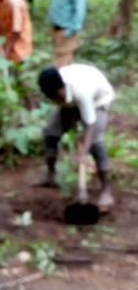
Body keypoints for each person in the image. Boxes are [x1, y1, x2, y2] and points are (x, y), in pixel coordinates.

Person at [38, 63, 115, 210]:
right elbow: (67, 107)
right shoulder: (54, 88)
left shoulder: (81, 90)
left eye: (56, 97)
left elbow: (91, 124)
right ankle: (51, 175)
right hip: (74, 101)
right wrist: (73, 121)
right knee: (50, 133)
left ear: (61, 89)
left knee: (96, 143)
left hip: (98, 101)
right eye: (51, 98)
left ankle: (106, 190)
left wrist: (84, 152)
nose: (54, 100)